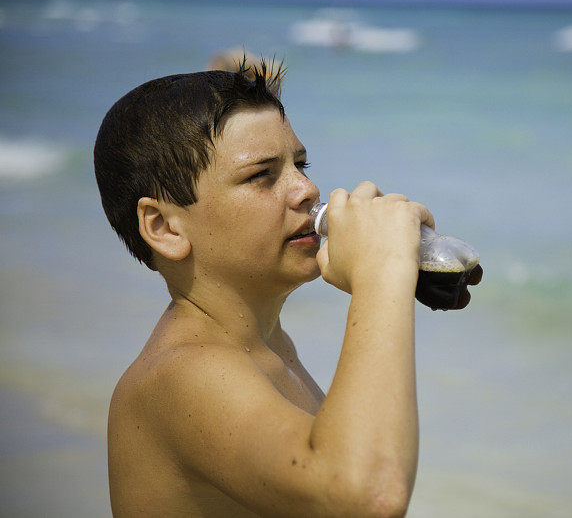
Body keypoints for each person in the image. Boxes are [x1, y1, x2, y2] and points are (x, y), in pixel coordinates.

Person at [94, 59, 442, 516]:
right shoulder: (181, 374)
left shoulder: (266, 346)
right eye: (261, 175)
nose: (307, 189)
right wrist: (381, 276)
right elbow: (363, 496)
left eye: (300, 163)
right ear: (164, 227)